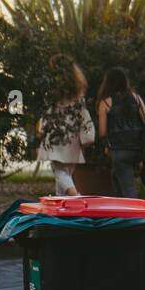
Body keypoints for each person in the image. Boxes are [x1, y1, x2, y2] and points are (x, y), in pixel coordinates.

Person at [37, 58, 95, 197]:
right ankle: (62, 207)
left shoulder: (52, 94)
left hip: (56, 137)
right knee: (66, 174)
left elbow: (48, 115)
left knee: (60, 173)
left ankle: (76, 197)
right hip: (73, 138)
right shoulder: (78, 94)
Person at [97, 67, 145, 198]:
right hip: (138, 149)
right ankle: (121, 210)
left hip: (119, 151)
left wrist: (107, 145)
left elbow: (102, 132)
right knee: (116, 175)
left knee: (128, 188)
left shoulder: (105, 102)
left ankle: (133, 215)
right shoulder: (136, 98)